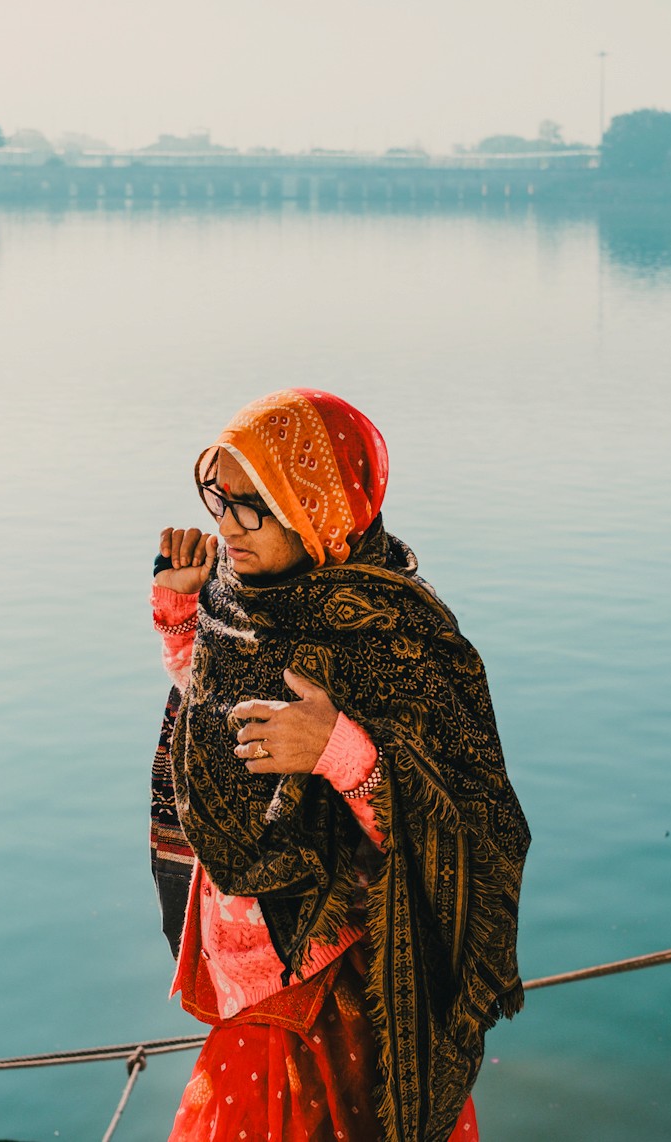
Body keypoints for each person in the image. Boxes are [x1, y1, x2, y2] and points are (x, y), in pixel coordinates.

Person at [147, 387, 530, 1142]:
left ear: (315, 507)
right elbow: (218, 723)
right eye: (217, 497)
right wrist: (183, 614)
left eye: (252, 503)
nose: (226, 524)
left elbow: (466, 834)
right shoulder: (243, 598)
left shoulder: (397, 637)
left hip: (326, 1000)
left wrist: (342, 754)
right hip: (252, 976)